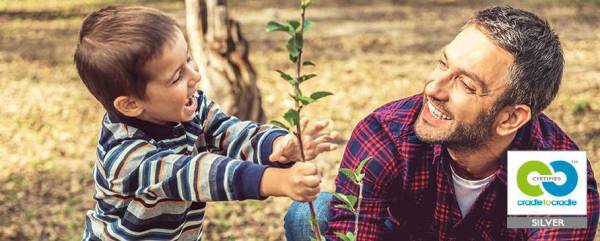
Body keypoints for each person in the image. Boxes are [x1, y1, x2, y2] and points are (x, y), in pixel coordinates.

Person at [284, 5, 599, 240]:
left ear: (510, 118)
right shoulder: (385, 135)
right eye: (443, 64)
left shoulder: (551, 170)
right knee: (310, 215)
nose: (433, 89)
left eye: (466, 84)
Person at [74, 6, 338, 240]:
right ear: (130, 104)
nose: (196, 76)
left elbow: (232, 133)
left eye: (188, 59)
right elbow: (195, 173)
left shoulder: (191, 108)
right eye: (177, 77)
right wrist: (277, 180)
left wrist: (278, 144)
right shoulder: (124, 157)